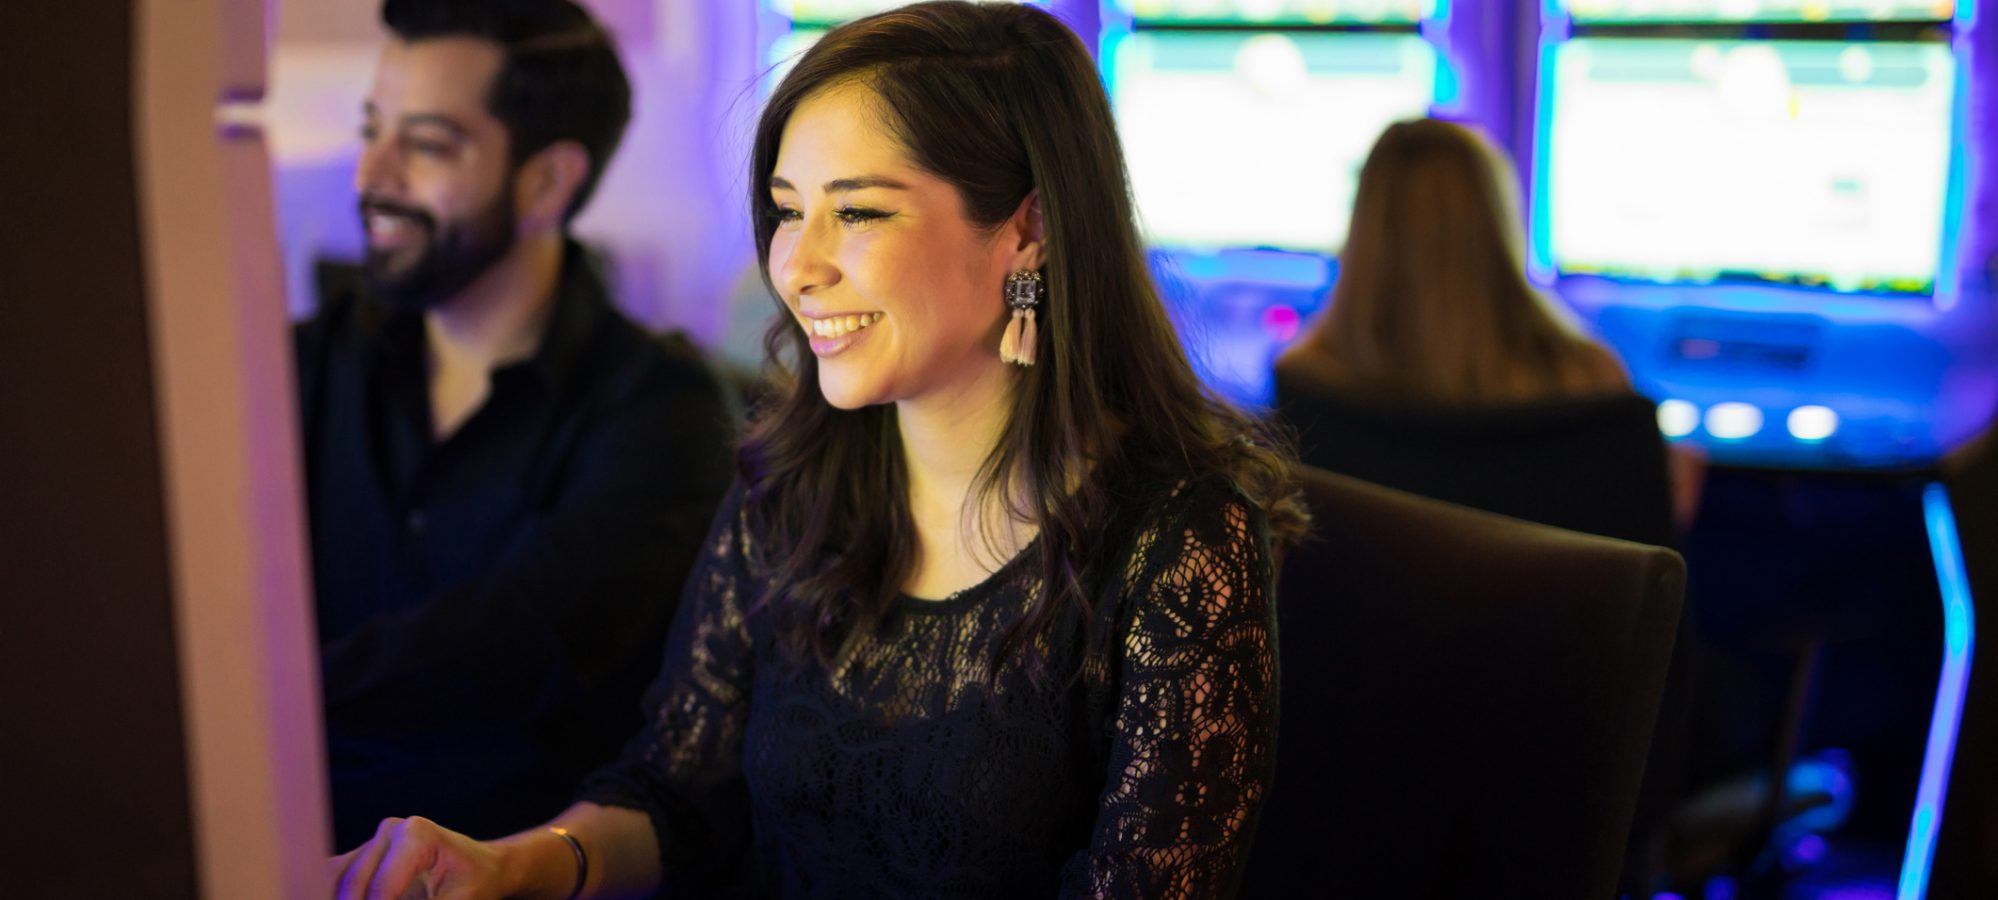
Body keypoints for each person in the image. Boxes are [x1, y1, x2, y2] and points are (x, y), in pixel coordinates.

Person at [328, 2, 1308, 897]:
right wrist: (510, 865)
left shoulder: (1177, 544)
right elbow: (676, 794)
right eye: (791, 208)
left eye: (861, 211)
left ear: (1031, 227)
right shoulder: (789, 490)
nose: (796, 264)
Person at [297, 0, 737, 851]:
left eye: (426, 145)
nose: (370, 174)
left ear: (546, 182)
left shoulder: (662, 412)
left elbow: (513, 645)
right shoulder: (298, 370)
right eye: (373, 129)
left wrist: (257, 702)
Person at [1274, 117, 1703, 527]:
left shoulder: (1304, 389)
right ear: (1500, 228)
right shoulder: (1594, 387)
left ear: (1361, 231)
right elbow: (1635, 574)